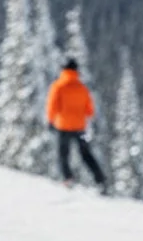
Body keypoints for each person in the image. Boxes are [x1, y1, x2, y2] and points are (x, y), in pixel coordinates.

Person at [46, 58, 107, 191]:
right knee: (86, 154)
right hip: (80, 127)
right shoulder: (82, 88)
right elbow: (90, 109)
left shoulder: (58, 86)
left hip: (63, 126)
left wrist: (50, 120)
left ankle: (68, 178)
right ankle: (100, 179)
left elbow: (52, 106)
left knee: (63, 155)